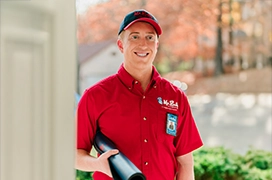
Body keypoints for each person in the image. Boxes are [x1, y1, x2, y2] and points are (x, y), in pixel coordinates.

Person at [76, 9, 203, 180]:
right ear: (121, 45)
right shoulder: (95, 96)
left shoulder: (176, 97)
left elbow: (185, 162)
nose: (143, 44)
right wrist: (97, 165)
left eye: (150, 37)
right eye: (134, 37)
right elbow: (75, 154)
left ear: (156, 45)